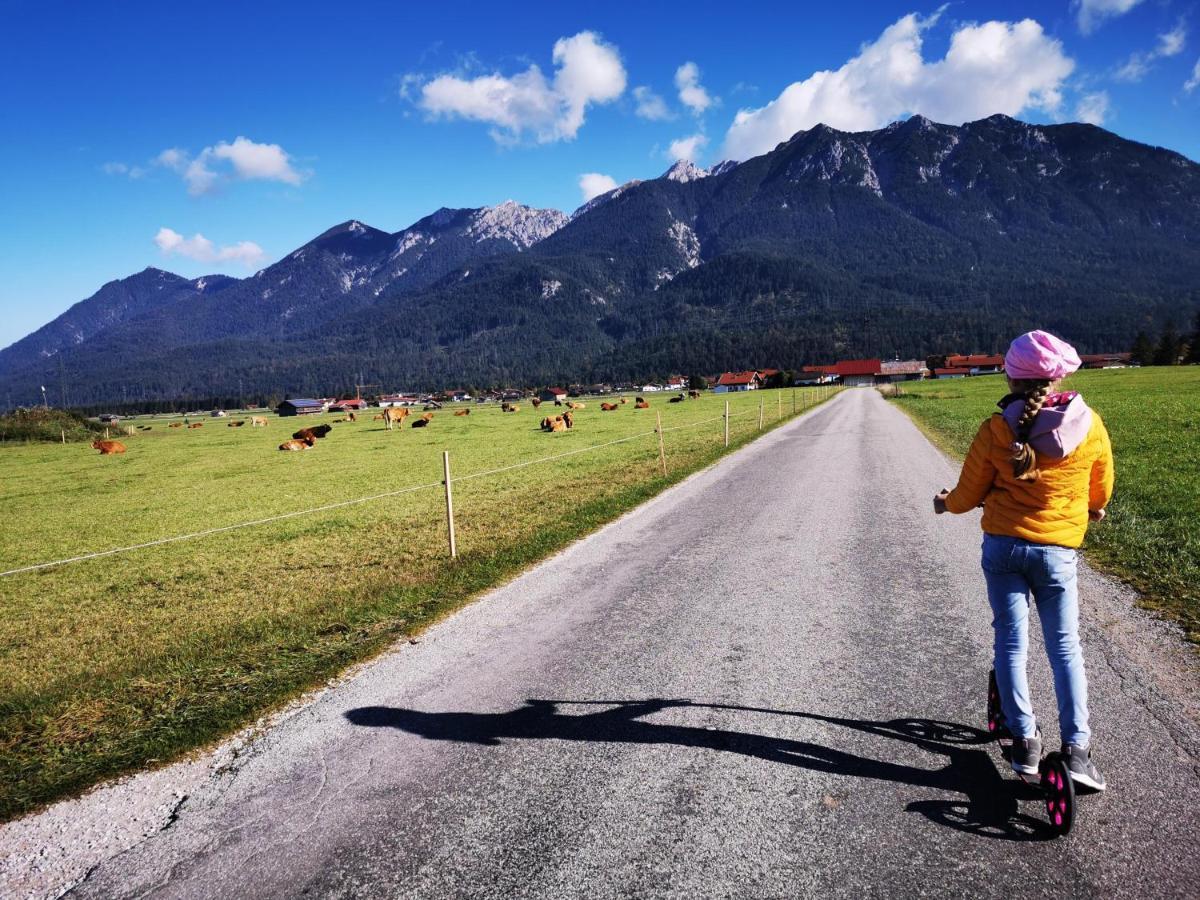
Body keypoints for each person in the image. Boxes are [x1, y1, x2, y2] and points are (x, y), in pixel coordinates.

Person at [933, 330, 1113, 790]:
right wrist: (1092, 507)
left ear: (1011, 377)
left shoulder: (996, 429)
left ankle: (1026, 741)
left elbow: (969, 492)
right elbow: (1101, 488)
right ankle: (1077, 751)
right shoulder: (1089, 425)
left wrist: (946, 503)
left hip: (1004, 548)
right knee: (1065, 648)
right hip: (1057, 553)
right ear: (1057, 377)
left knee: (1012, 643)